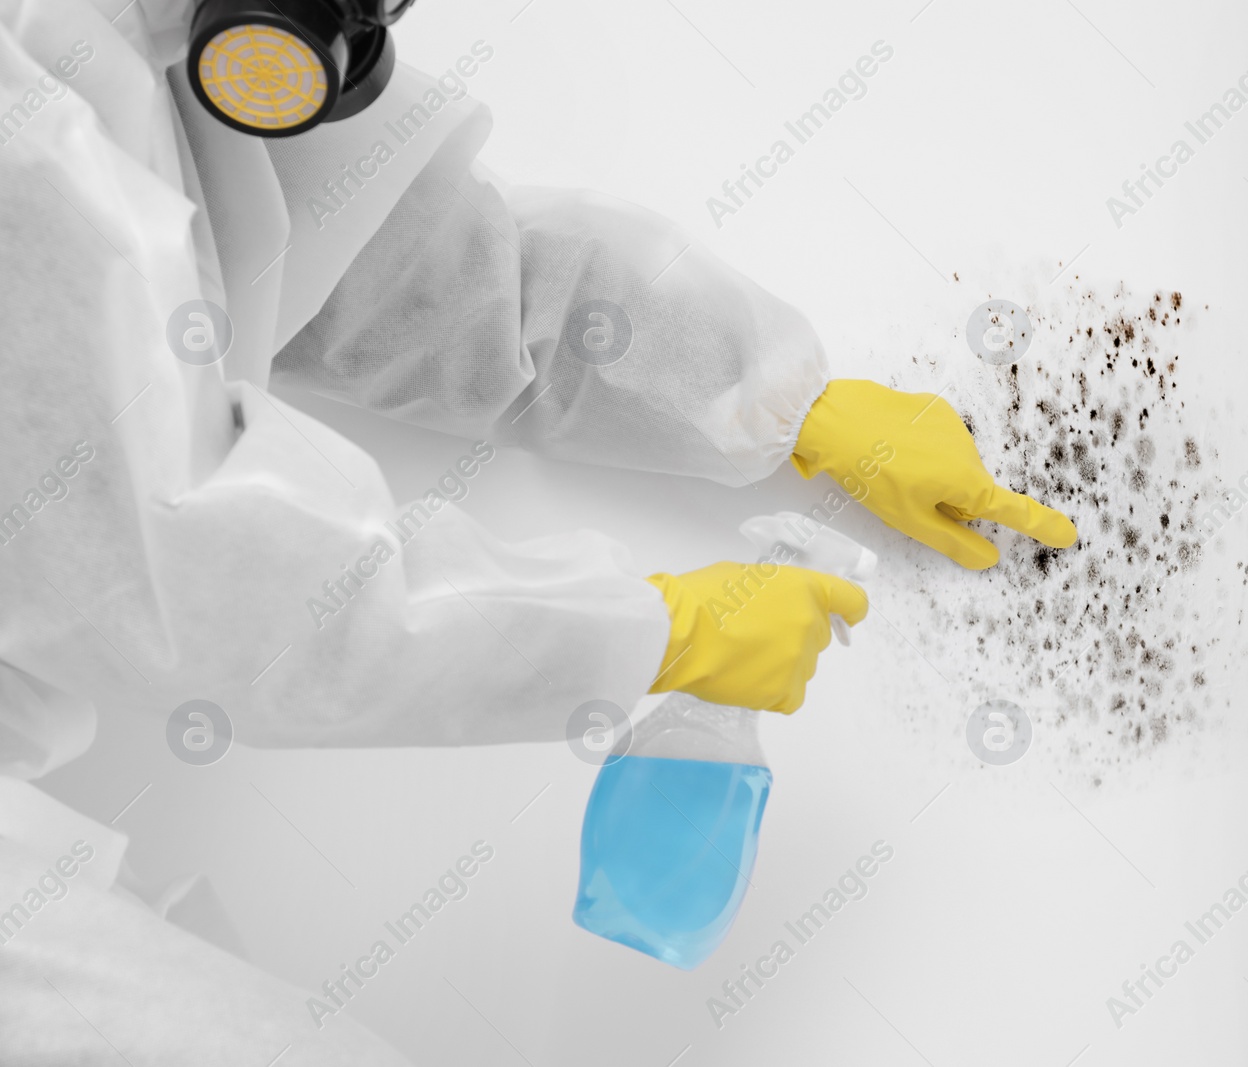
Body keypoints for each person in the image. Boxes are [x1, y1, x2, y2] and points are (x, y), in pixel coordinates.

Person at [0, 2, 1076, 1060]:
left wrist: (793, 404)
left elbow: (413, 274)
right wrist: (654, 628)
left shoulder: (139, 36)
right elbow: (183, 573)